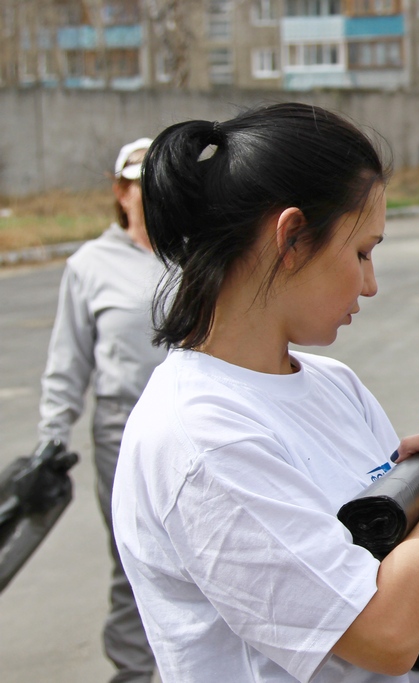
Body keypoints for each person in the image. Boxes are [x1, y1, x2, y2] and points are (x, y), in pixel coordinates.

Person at [110, 102, 419, 683]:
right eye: (361, 252)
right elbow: (385, 635)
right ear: (293, 237)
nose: (371, 283)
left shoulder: (332, 384)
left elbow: (414, 576)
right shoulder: (199, 437)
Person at [37, 136, 163, 682]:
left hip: (200, 423)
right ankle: (135, 674)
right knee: (135, 560)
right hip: (122, 424)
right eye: (140, 186)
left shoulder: (198, 254)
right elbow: (67, 361)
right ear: (120, 192)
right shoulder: (90, 264)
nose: (151, 196)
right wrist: (51, 436)